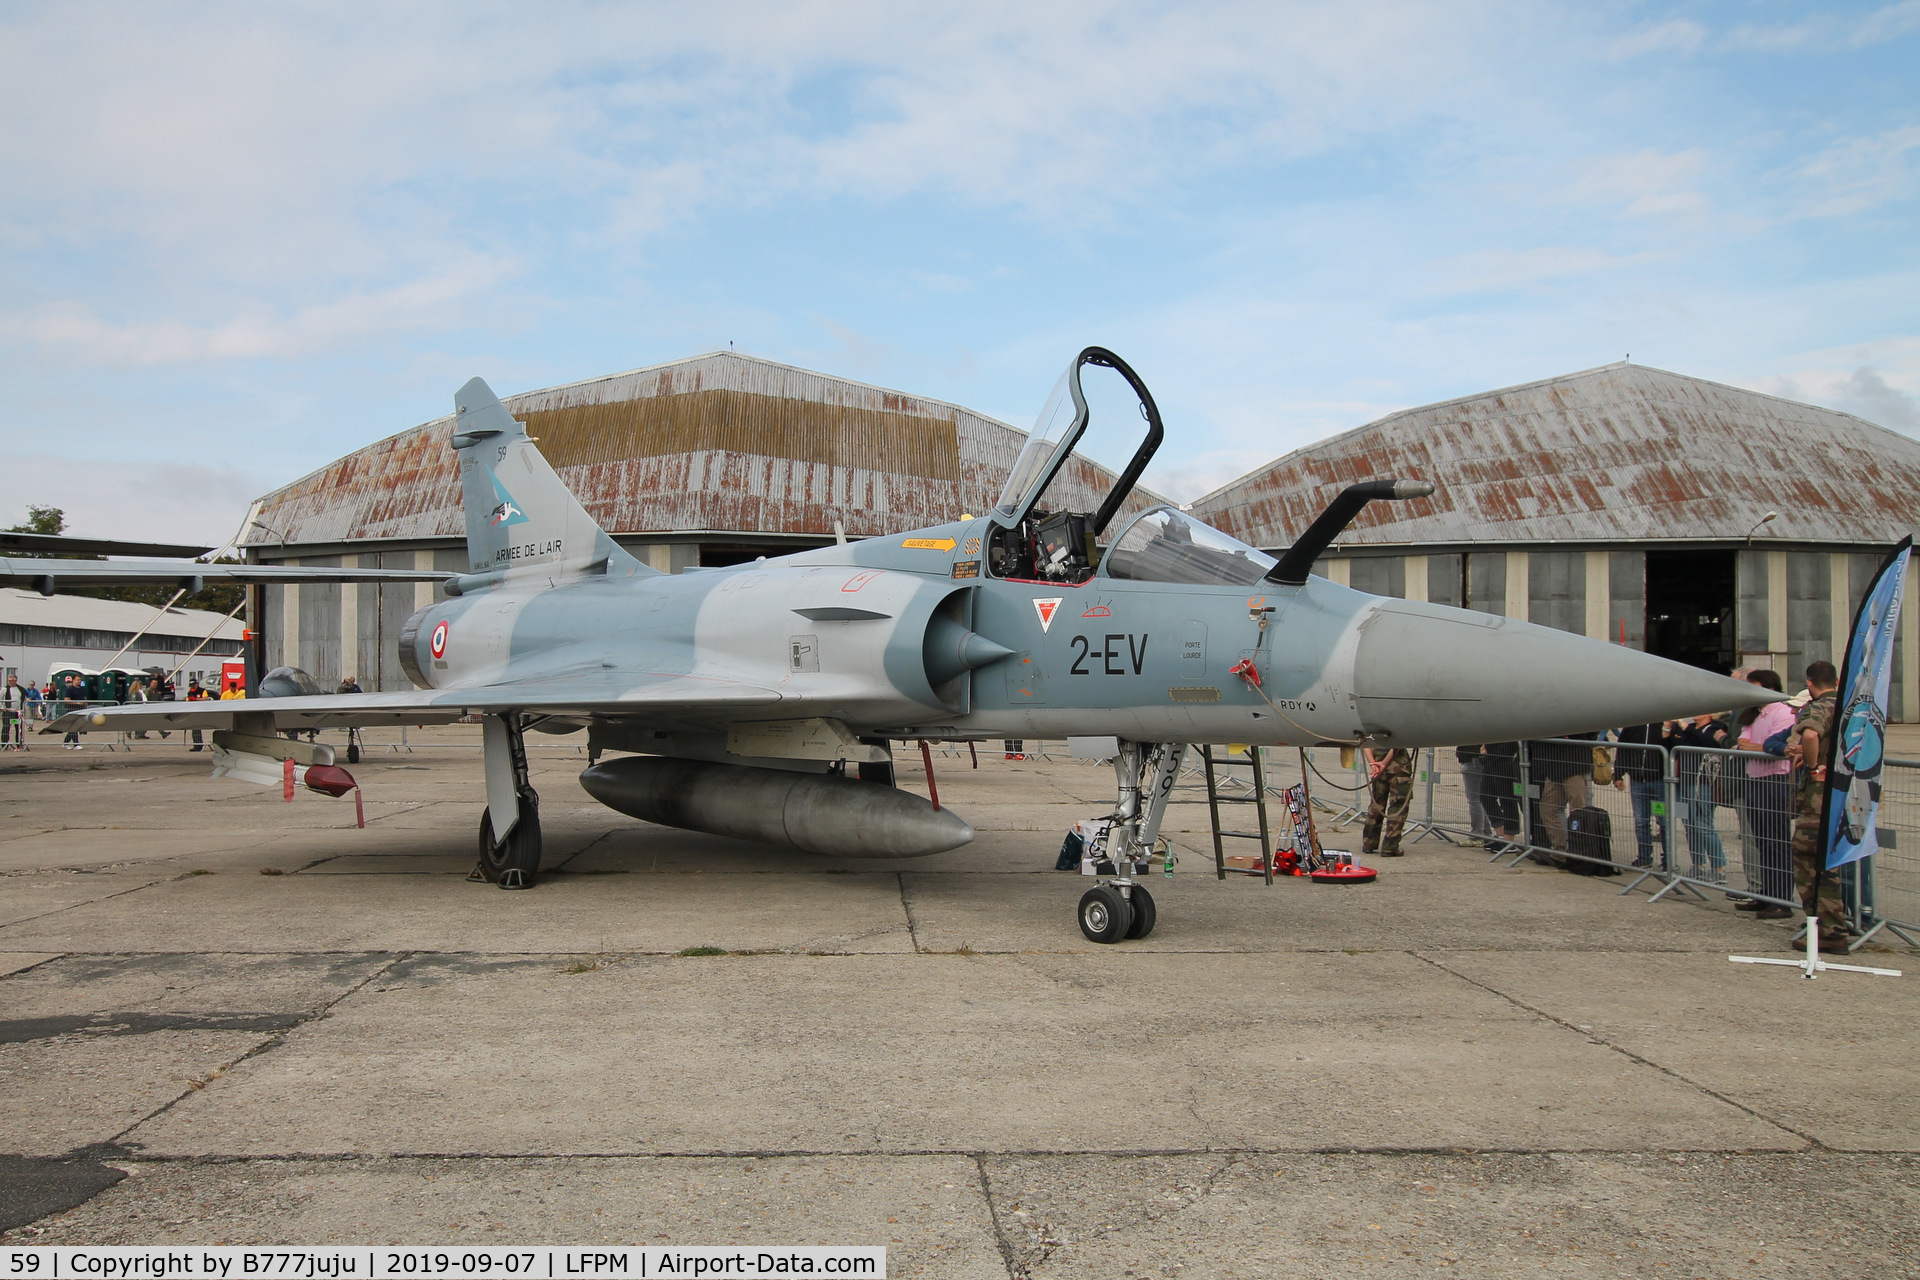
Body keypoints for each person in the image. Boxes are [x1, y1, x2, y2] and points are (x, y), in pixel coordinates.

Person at [1786, 660, 1850, 949]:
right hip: (1847, 792)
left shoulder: (1818, 707)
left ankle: (1828, 927)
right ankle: (1830, 921)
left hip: (1819, 797)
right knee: (1831, 857)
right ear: (1836, 682)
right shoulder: (1851, 707)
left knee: (1810, 856)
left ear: (1809, 683)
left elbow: (1811, 734)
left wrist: (1813, 766)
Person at [1735, 669, 1796, 919]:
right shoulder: (1754, 714)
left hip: (1775, 778)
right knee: (1762, 839)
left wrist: (1759, 746)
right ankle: (1766, 894)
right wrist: (1759, 746)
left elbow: (1775, 746)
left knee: (1777, 840)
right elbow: (1743, 742)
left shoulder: (1783, 712)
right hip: (1756, 778)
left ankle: (1782, 900)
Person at [1668, 713, 1731, 882]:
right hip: (1684, 781)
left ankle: (1719, 868)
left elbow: (1708, 742)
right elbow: (1672, 744)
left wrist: (1685, 726)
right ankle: (1698, 865)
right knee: (1690, 824)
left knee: (1704, 824)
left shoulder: (1715, 728)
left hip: (1703, 782)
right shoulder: (1685, 729)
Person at [1528, 731, 1597, 861]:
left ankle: (1580, 851)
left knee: (1578, 810)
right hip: (1555, 767)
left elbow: (1592, 733)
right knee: (1548, 808)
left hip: (1575, 764)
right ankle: (1559, 850)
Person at [1612, 722, 1668, 869]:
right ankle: (1644, 857)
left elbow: (1671, 744)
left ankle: (1668, 859)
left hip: (1658, 783)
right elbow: (1623, 749)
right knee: (1641, 821)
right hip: (1638, 782)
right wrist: (1618, 774)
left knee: (1663, 822)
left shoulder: (1663, 724)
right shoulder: (1633, 724)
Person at [1361, 746, 1414, 858]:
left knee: (1376, 805)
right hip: (1398, 769)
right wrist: (1384, 763)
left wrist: (1373, 763)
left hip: (1379, 769)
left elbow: (1365, 743)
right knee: (1398, 807)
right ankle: (1390, 846)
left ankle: (1369, 842)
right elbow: (1397, 744)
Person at [1475, 741, 1522, 851]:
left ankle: (1509, 839)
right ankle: (1500, 834)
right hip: (1491, 758)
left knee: (1507, 799)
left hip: (1506, 758)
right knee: (1486, 796)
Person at [1456, 744, 1490, 840]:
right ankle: (1485, 831)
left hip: (1473, 761)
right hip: (1475, 760)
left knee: (1474, 799)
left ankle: (1477, 833)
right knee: (1479, 799)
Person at [1, 675, 23, 750]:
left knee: (19, 728)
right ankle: (4, 744)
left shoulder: (20, 689)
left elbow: (24, 698)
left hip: (17, 712)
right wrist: (2, 708)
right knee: (6, 728)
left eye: (12, 680)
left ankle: (19, 743)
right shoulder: (4, 689)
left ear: (15, 681)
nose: (10, 682)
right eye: (9, 680)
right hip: (8, 711)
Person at [185, 679, 208, 749]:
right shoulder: (190, 692)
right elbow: (187, 700)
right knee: (194, 729)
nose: (192, 687)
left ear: (197, 684)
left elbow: (205, 698)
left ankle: (198, 745)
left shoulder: (203, 690)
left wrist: (196, 700)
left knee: (197, 728)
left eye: (193, 685)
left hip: (201, 711)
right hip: (193, 712)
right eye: (191, 686)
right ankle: (197, 745)